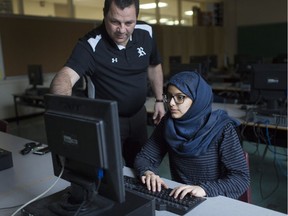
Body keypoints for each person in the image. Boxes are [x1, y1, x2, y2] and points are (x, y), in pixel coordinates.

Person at [49, 0, 165, 167]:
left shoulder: (146, 32)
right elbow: (65, 77)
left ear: (136, 17)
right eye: (115, 22)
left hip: (139, 116)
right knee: (109, 172)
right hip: (107, 120)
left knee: (141, 167)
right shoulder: (90, 45)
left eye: (129, 23)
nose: (122, 30)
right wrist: (64, 118)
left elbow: (154, 65)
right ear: (104, 15)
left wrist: (159, 100)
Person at [134, 71, 250, 199]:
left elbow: (241, 178)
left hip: (215, 197)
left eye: (180, 97)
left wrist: (204, 189)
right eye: (169, 96)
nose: (171, 103)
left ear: (197, 99)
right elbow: (145, 157)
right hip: (183, 197)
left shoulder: (222, 130)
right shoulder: (168, 124)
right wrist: (147, 172)